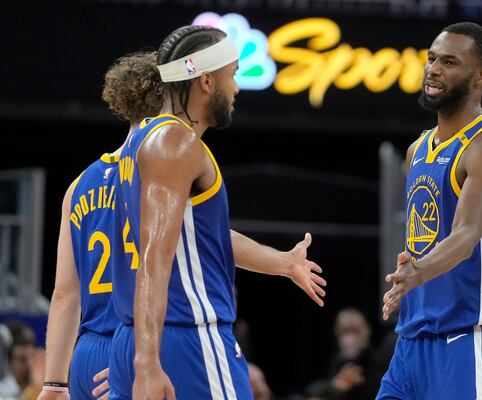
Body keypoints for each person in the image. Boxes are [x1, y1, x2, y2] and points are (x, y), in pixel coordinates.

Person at [108, 25, 326, 400]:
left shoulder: (143, 141)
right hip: (184, 335)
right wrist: (147, 362)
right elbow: (155, 258)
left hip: (141, 332)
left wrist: (283, 263)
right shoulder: (175, 141)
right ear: (206, 81)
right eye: (233, 74)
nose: (237, 87)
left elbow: (201, 238)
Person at [379, 22, 482, 399]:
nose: (434, 69)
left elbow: (464, 238)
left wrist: (418, 271)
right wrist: (409, 276)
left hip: (468, 341)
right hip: (412, 340)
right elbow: (425, 239)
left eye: (449, 62)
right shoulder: (417, 150)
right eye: (431, 59)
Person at [36, 51, 163, 400]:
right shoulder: (163, 171)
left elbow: (65, 293)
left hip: (86, 354)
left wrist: (53, 382)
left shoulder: (78, 185)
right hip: (135, 345)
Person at [0, 321, 36, 399]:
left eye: (32, 358)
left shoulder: (41, 385)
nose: (29, 365)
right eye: (22, 359)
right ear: (9, 362)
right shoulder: (2, 390)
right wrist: (35, 390)